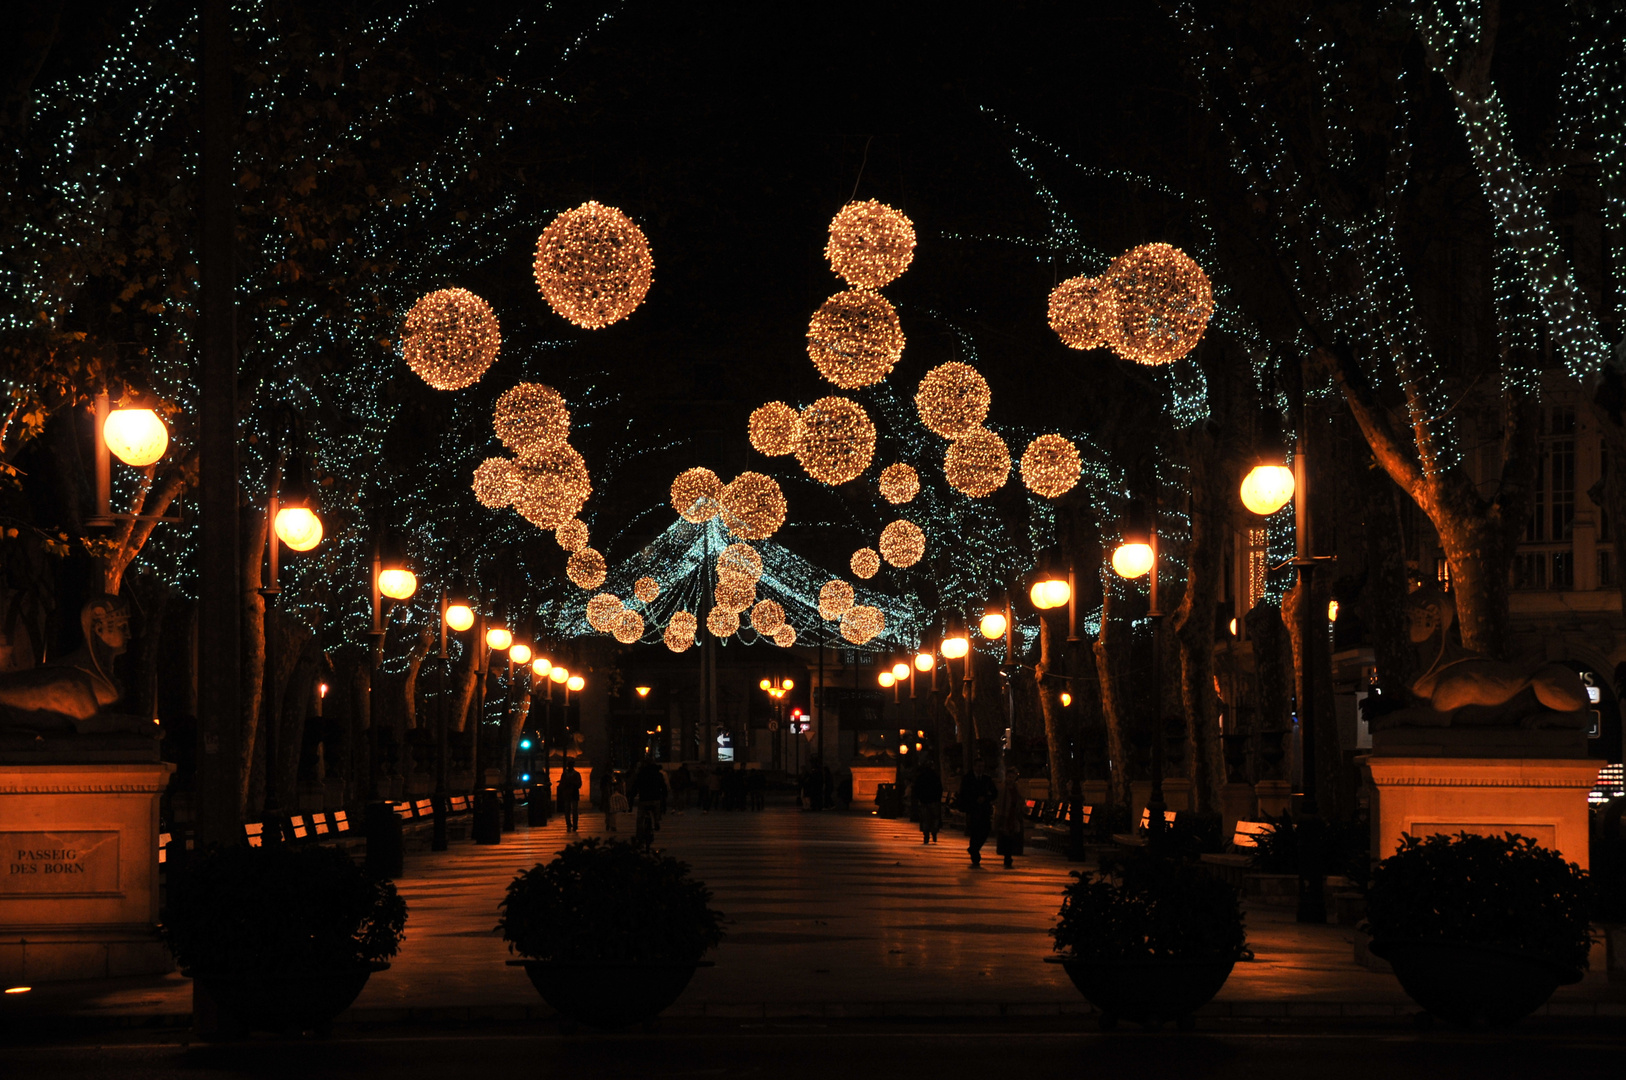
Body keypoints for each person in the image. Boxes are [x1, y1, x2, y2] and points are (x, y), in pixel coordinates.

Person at [957, 762, 997, 867]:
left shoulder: (987, 779)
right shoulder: (967, 778)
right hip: (973, 808)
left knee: (985, 830)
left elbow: (995, 793)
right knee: (974, 831)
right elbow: (963, 793)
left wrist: (986, 798)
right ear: (974, 767)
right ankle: (975, 855)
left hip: (984, 809)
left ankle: (974, 848)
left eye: (982, 766)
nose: (980, 768)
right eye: (978, 766)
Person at [994, 767, 1026, 869]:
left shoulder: (1017, 788)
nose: (1011, 779)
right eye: (1009, 777)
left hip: (1014, 815)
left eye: (1013, 777)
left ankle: (1008, 856)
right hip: (1005, 815)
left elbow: (1020, 800)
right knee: (1006, 836)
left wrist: (1023, 807)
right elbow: (1000, 802)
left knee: (1012, 836)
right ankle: (1007, 857)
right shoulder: (1003, 788)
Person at [912, 760, 943, 844]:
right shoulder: (935, 776)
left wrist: (919, 798)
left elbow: (916, 788)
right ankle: (934, 831)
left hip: (924, 800)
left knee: (925, 819)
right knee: (935, 817)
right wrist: (938, 798)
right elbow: (939, 788)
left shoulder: (921, 777)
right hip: (934, 800)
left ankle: (926, 835)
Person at [556, 757, 583, 832]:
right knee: (569, 810)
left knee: (572, 810)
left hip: (571, 793)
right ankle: (570, 824)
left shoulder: (570, 774)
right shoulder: (572, 774)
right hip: (569, 794)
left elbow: (579, 784)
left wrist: (569, 783)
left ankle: (573, 825)